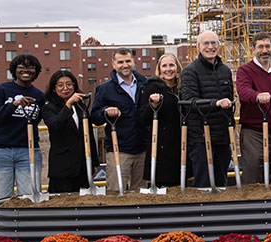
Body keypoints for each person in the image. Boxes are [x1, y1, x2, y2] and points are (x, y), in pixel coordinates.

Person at [0, 53, 44, 242]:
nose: (26, 70)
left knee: (30, 200)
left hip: (28, 152)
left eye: (31, 67)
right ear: (14, 70)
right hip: (0, 151)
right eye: (21, 67)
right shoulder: (1, 90)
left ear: (36, 72)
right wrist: (14, 104)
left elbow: (37, 120)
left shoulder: (39, 96)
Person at [180, 30, 234, 188]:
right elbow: (189, 101)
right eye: (206, 43)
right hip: (201, 138)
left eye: (214, 43)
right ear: (198, 47)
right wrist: (215, 103)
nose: (210, 47)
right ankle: (202, 212)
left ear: (218, 46)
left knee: (221, 183)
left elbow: (229, 102)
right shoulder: (191, 71)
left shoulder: (225, 71)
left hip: (222, 136)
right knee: (203, 184)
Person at [90, 48, 147, 194]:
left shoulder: (144, 84)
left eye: (128, 61)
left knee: (141, 195)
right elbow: (95, 117)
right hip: (119, 150)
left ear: (133, 62)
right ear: (113, 64)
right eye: (120, 62)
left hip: (142, 149)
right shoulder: (105, 89)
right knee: (115, 193)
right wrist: (105, 111)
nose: (125, 65)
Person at [236, 34, 271, 185]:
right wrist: (258, 96)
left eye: (267, 46)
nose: (264, 50)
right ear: (253, 49)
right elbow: (243, 92)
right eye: (260, 47)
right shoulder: (245, 70)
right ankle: (253, 206)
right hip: (254, 132)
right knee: (253, 172)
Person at [41, 70, 98, 193]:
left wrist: (93, 161)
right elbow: (55, 124)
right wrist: (68, 104)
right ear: (54, 89)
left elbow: (88, 135)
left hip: (82, 166)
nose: (65, 88)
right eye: (60, 85)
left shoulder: (81, 107)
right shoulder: (49, 108)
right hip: (62, 168)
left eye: (69, 84)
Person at [138, 53, 184, 188]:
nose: (168, 69)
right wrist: (153, 104)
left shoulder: (183, 88)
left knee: (181, 186)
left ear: (177, 68)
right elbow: (143, 118)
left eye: (171, 65)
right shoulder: (152, 88)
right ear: (159, 70)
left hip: (181, 143)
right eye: (164, 66)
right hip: (161, 147)